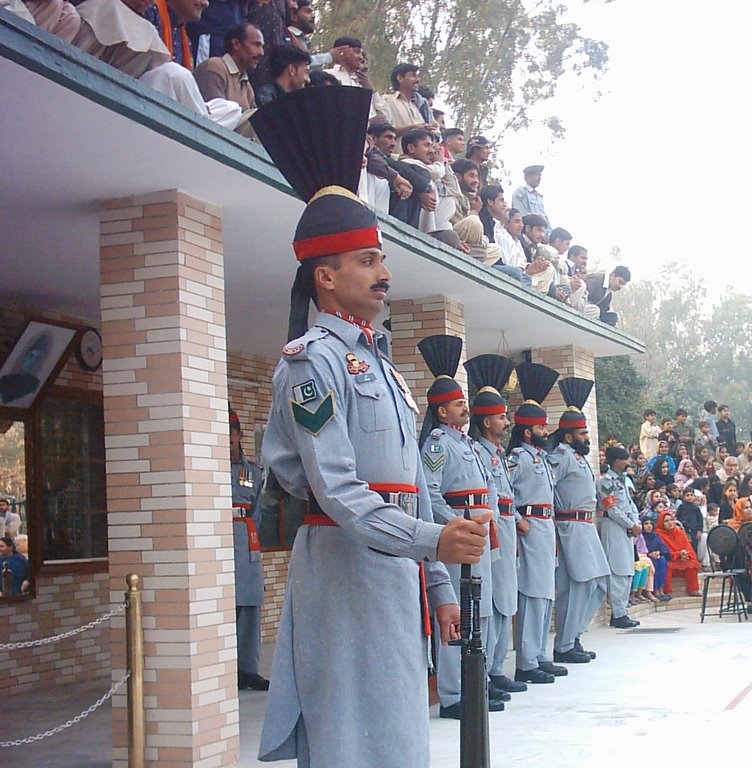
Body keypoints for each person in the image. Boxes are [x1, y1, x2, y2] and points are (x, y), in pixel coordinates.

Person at [249, 86, 488, 767]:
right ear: (325, 276)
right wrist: (434, 543)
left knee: (398, 737)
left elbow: (412, 479)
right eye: (367, 261)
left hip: (393, 573)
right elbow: (342, 494)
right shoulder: (309, 366)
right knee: (350, 740)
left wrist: (438, 579)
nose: (384, 273)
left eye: (381, 258)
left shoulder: (378, 363)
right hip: (344, 573)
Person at [416, 336, 506, 718]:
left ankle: (477, 684)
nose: (464, 408)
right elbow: (430, 491)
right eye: (457, 404)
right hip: (459, 534)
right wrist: (456, 523)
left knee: (480, 609)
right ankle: (453, 695)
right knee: (458, 614)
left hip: (479, 532)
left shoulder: (466, 443)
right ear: (441, 413)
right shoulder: (437, 444)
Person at [464, 354, 529, 697]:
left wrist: (515, 521)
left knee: (505, 600)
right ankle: (487, 670)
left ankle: (497, 666)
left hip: (506, 523)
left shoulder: (499, 452)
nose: (506, 422)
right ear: (486, 422)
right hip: (491, 526)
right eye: (501, 417)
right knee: (492, 602)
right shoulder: (476, 450)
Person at [508, 363, 567, 684]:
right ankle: (526, 660)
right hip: (529, 524)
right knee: (531, 593)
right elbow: (501, 489)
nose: (547, 432)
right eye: (542, 428)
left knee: (545, 593)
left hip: (546, 525)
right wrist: (517, 520)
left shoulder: (542, 458)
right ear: (528, 431)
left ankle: (539, 655)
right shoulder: (516, 456)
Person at [548, 378, 610, 663]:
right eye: (583, 433)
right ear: (569, 436)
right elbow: (546, 489)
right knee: (575, 586)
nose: (587, 438)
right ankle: (564, 645)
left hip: (586, 527)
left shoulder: (579, 456)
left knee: (598, 583)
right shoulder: (560, 457)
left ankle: (574, 636)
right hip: (569, 526)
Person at [228, 408, 268, 690]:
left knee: (250, 602)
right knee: (226, 604)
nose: (228, 438)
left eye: (231, 431)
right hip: (217, 538)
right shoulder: (207, 466)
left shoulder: (252, 471)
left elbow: (258, 510)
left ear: (240, 434)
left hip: (246, 537)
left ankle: (248, 669)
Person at [599, 446, 642, 628]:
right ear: (616, 460)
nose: (627, 463)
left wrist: (635, 522)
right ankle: (617, 614)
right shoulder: (606, 482)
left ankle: (622, 611)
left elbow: (630, 504)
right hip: (614, 527)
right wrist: (629, 524)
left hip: (627, 529)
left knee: (626, 570)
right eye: (624, 460)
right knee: (617, 570)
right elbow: (611, 508)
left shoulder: (622, 481)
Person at [194, 21, 262, 111]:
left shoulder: (247, 86)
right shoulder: (214, 67)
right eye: (256, 45)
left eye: (262, 46)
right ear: (236, 44)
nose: (261, 52)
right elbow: (216, 116)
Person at [654, 510, 700, 597]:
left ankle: (693, 590)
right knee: (666, 565)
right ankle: (667, 592)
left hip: (681, 560)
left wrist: (685, 555)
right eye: (666, 521)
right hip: (670, 559)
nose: (670, 523)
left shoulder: (679, 531)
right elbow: (664, 552)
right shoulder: (658, 534)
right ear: (661, 523)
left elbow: (688, 548)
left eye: (671, 520)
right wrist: (678, 554)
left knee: (692, 565)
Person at [385, 62, 436, 135]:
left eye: (418, 76)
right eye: (413, 76)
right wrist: (413, 128)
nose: (418, 80)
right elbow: (383, 131)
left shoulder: (418, 106)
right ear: (400, 78)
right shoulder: (387, 101)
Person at [254, 42, 310, 106]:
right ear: (292, 70)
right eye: (306, 72)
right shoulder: (266, 97)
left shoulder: (294, 100)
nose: (308, 80)